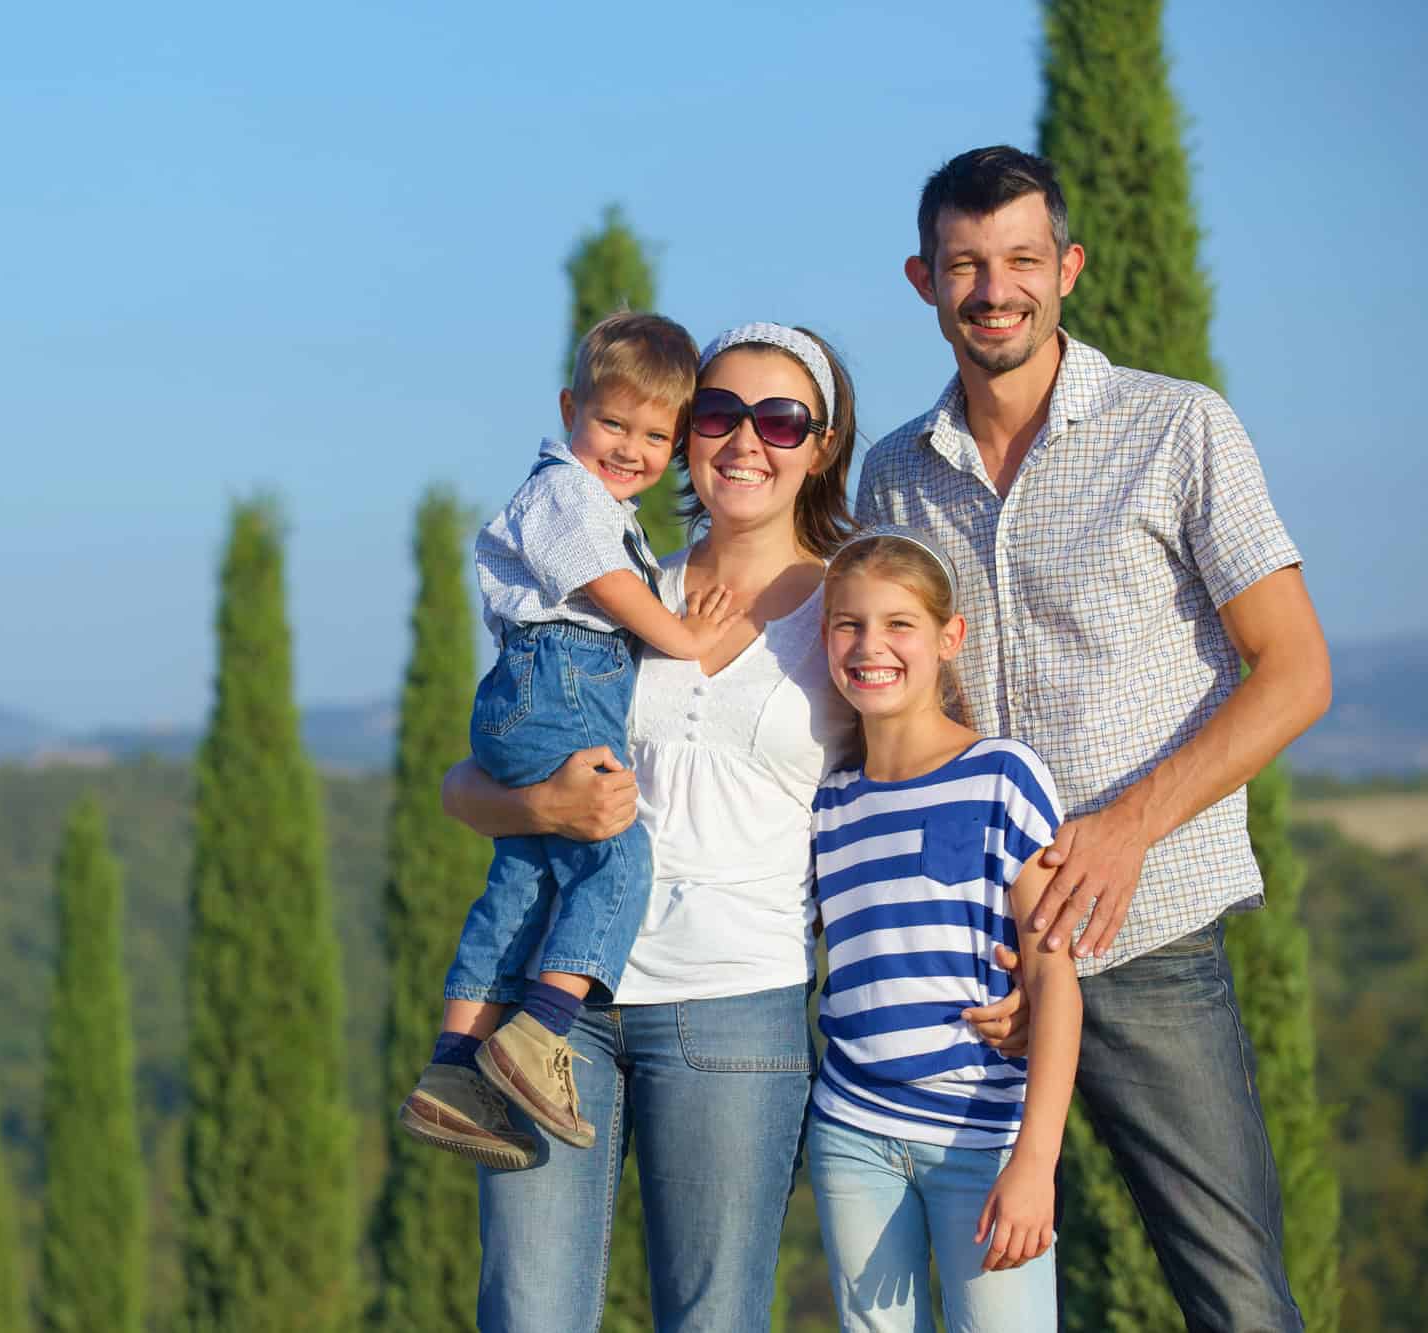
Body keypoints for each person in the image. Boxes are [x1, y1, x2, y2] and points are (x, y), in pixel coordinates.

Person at [441, 321, 1028, 1331]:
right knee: (526, 1311)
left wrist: (1008, 952)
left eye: (779, 418)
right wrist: (543, 807)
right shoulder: (615, 587)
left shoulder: (857, 616)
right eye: (716, 414)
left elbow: (940, 786)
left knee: (709, 1319)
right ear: (681, 437)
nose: (744, 439)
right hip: (556, 1007)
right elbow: (466, 781)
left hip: (733, 1011)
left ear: (822, 442)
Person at [857, 145, 1333, 1331]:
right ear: (922, 280)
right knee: (973, 1308)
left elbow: (1294, 670)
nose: (992, 288)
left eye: (1020, 258)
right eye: (964, 264)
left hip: (1149, 930)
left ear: (1065, 267)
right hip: (973, 969)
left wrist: (1124, 829)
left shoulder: (1176, 428)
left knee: (1232, 1297)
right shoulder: (892, 477)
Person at [398, 311, 745, 1168]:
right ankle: (539, 1031)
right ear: (568, 409)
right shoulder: (564, 493)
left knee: (521, 876)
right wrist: (683, 633)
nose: (630, 448)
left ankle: (453, 1066)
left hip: (543, 686)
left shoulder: (595, 497)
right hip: (555, 684)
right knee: (618, 852)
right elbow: (603, 583)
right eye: (612, 423)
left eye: (655, 434)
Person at [805, 527, 1081, 1332]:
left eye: (900, 624)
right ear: (826, 640)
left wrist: (1037, 1160)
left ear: (947, 638)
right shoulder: (830, 804)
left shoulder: (1003, 775)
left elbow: (1055, 980)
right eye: (849, 624)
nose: (871, 645)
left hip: (984, 1139)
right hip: (852, 1131)